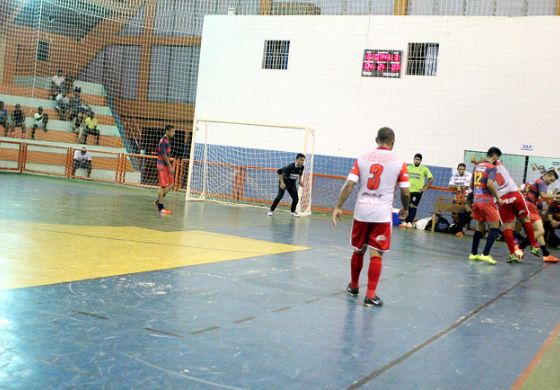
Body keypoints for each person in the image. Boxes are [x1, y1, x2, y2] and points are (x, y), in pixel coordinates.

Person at [333, 127, 410, 307]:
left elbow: (350, 184)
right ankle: (370, 295)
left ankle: (353, 286)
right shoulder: (399, 162)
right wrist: (405, 209)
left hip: (362, 210)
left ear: (376, 139)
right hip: (381, 213)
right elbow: (406, 192)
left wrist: (338, 206)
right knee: (377, 252)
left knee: (359, 249)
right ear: (393, 141)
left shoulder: (362, 159)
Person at [492, 160, 541, 263]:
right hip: (515, 195)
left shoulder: (487, 173)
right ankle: (533, 245)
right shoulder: (500, 166)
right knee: (525, 219)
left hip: (502, 199)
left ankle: (512, 254)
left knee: (507, 226)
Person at [468, 147, 503, 265]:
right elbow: (489, 184)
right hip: (486, 201)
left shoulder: (477, 166)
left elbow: (471, 185)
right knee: (495, 227)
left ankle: (473, 254)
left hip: (476, 200)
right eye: (497, 158)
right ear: (494, 156)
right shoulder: (492, 168)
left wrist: (476, 194)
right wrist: (498, 198)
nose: (497, 161)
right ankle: (485, 254)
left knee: (480, 227)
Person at [518, 169, 560, 262]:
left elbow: (519, 190)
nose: (550, 183)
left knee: (538, 232)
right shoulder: (542, 182)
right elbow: (543, 195)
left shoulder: (532, 181)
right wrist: (557, 196)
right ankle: (519, 247)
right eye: (551, 180)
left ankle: (546, 255)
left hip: (524, 206)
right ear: (548, 175)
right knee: (540, 231)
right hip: (530, 207)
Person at [401, 153, 433, 227]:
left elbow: (431, 178)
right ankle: (405, 221)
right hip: (408, 190)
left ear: (421, 161)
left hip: (417, 191)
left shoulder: (424, 168)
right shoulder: (409, 167)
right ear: (413, 159)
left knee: (413, 206)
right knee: (407, 206)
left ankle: (410, 222)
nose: (417, 161)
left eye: (418, 160)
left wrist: (425, 187)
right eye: (415, 159)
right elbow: (403, 175)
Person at [154, 125, 176, 214]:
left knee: (171, 184)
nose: (173, 133)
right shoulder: (163, 141)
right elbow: (163, 155)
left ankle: (158, 201)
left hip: (166, 166)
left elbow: (166, 155)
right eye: (172, 131)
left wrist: (171, 161)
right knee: (162, 186)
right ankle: (160, 208)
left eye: (174, 132)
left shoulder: (167, 141)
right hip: (162, 166)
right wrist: (170, 167)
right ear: (167, 131)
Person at [448, 163, 473, 236]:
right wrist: (457, 186)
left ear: (465, 169)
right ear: (457, 169)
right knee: (455, 214)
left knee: (463, 213)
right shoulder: (454, 175)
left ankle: (461, 229)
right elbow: (450, 186)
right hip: (457, 198)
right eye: (460, 169)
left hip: (467, 198)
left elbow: (467, 187)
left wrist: (459, 187)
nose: (461, 170)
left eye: (463, 169)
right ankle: (457, 227)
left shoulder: (468, 175)